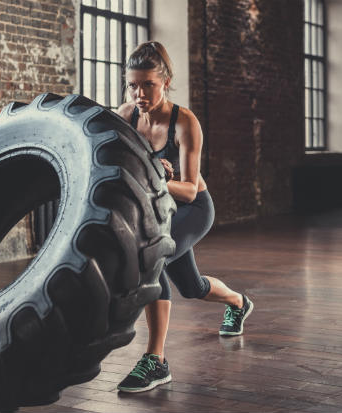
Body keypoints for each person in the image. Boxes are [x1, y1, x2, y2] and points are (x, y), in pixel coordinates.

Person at [115, 41, 254, 393]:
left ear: (166, 81)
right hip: (157, 212)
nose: (140, 93)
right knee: (191, 288)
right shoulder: (126, 115)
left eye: (148, 84)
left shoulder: (184, 122)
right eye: (133, 84)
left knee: (154, 261)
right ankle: (239, 302)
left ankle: (156, 361)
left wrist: (157, 175)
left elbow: (190, 189)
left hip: (191, 209)